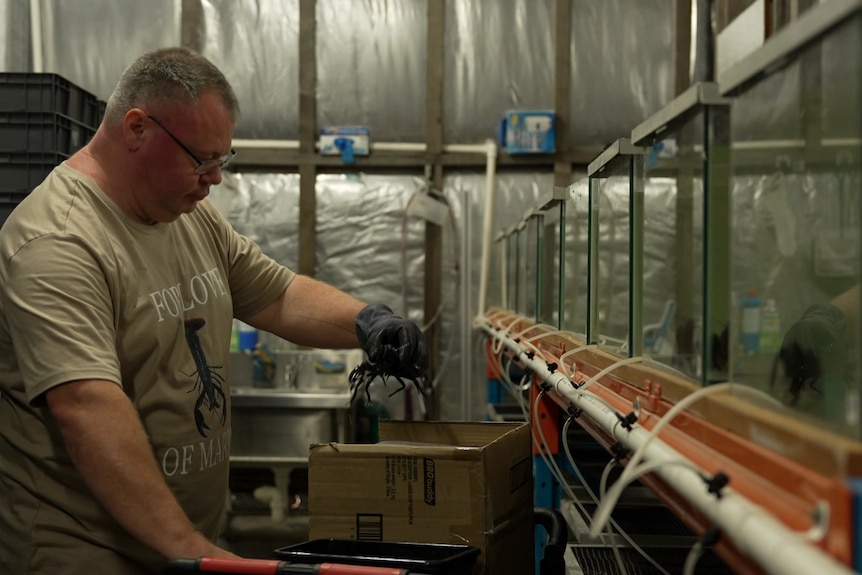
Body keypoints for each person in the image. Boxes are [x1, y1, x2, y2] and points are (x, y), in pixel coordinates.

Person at [0, 47, 427, 575]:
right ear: (137, 129)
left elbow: (276, 295)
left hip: (177, 547)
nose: (214, 178)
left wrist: (368, 323)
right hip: (89, 552)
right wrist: (191, 547)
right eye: (201, 159)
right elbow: (86, 406)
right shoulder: (59, 243)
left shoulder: (184, 215)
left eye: (221, 161)